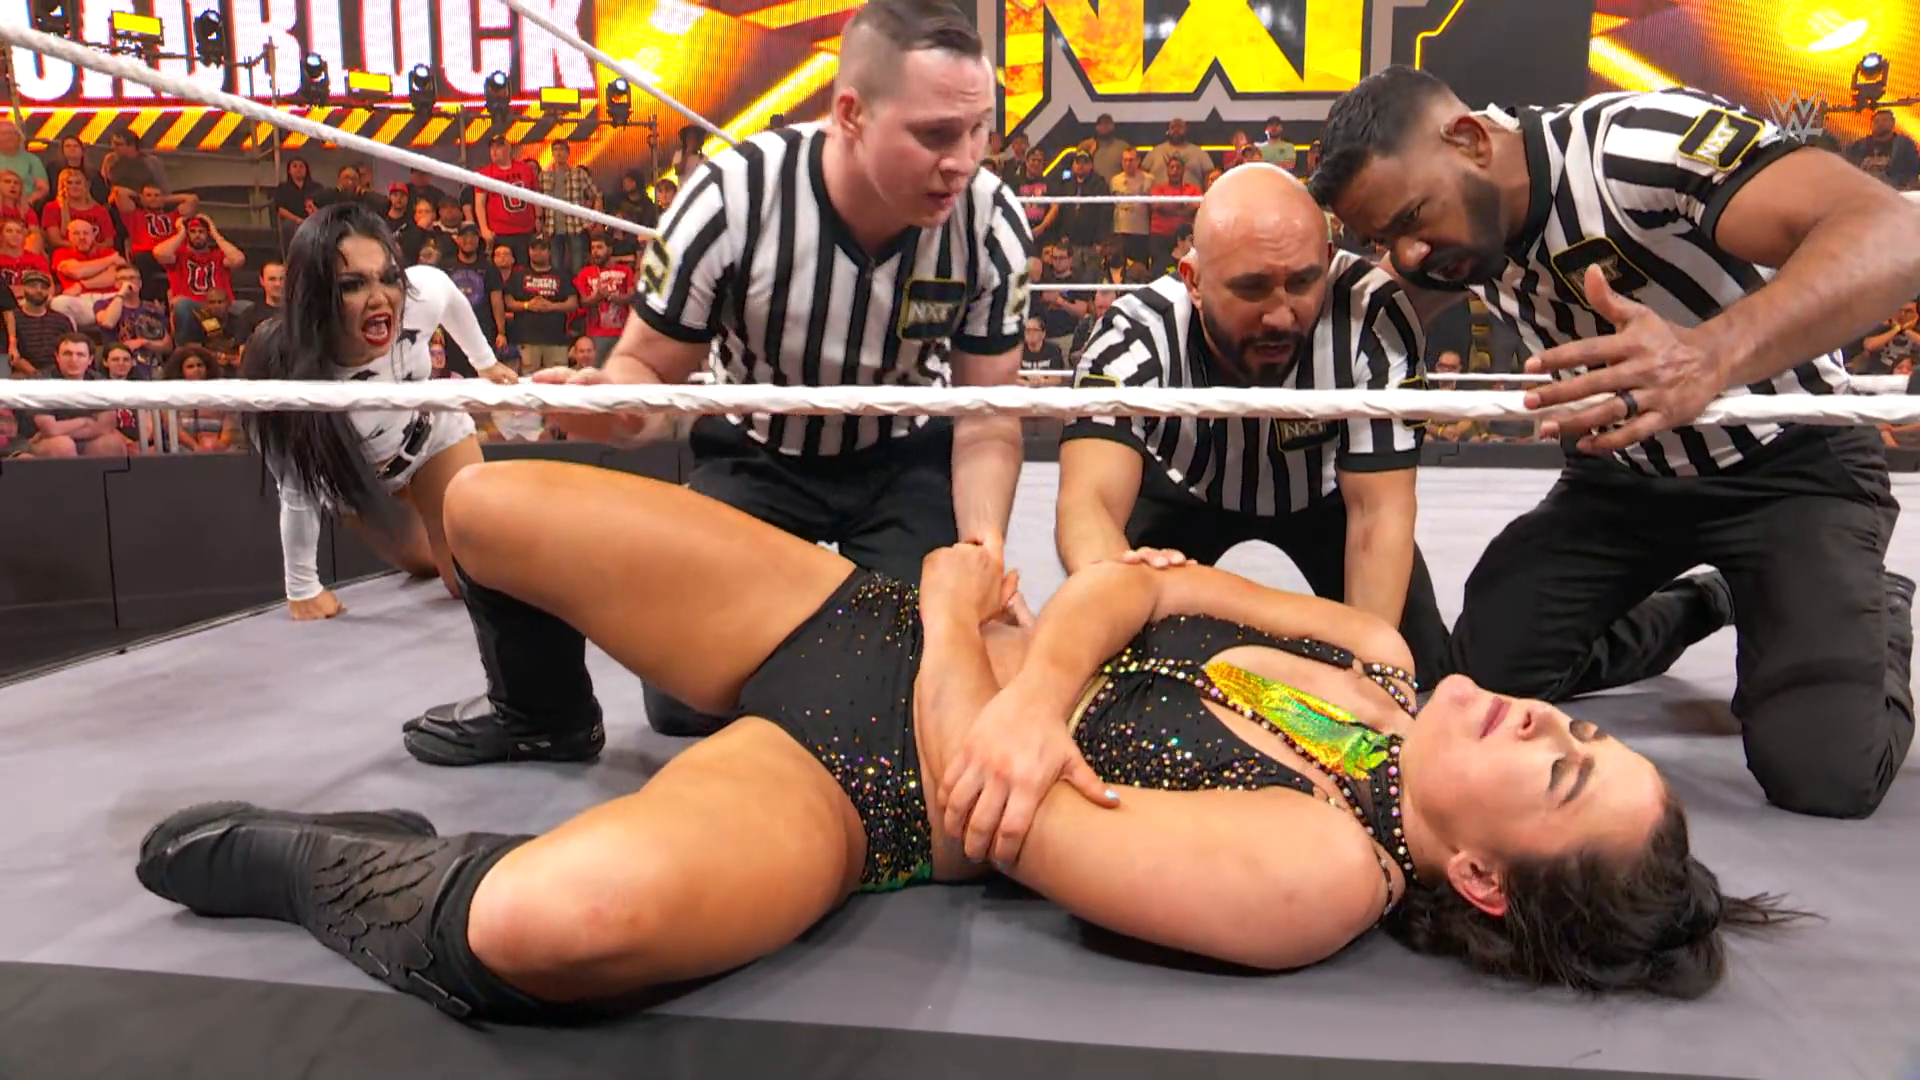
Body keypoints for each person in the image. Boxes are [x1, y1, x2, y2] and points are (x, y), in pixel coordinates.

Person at [134, 458, 1796, 1027]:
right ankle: (542, 708)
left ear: (1486, 879)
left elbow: (994, 811)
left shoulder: (1317, 871)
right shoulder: (1373, 656)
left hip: (859, 785)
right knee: (485, 505)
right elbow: (1137, 584)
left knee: (554, 923)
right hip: (844, 624)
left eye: (1562, 766)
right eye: (1584, 731)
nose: (1547, 716)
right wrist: (1036, 664)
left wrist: (953, 619)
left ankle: (349, 875)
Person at [424, 0, 1033, 754]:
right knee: (686, 702)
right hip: (758, 454)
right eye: (935, 134)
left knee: (933, 676)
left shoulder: (989, 221)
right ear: (850, 114)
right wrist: (612, 406)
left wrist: (981, 547)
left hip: (903, 459)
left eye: (978, 130)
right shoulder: (733, 196)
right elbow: (650, 370)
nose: (964, 161)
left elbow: (987, 413)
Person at [1310, 66, 1920, 818]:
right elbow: (1357, 296)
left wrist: (1711, 354)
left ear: (1469, 140)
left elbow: (1893, 230)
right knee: (1486, 671)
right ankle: (1706, 600)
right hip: (1623, 477)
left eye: (1411, 219)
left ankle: (1880, 606)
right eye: (1384, 239)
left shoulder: (1631, 149)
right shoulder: (1461, 228)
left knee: (1824, 772)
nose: (1407, 256)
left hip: (1788, 462)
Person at [1060, 164, 1449, 688]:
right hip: (1181, 488)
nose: (1281, 316)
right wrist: (1118, 591)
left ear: (1327, 260)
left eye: (1303, 281)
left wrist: (1370, 678)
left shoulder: (1370, 318)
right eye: (1252, 287)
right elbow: (1088, 504)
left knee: (1412, 668)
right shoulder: (1134, 339)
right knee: (1114, 665)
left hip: (1329, 495)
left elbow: (1381, 512)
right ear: (1194, 281)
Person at [244, 203, 517, 622]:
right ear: (314, 294)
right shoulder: (281, 368)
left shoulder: (417, 298)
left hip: (431, 439)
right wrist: (302, 587)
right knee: (426, 563)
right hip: (359, 481)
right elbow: (296, 483)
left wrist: (485, 362)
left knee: (471, 578)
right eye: (352, 284)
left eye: (389, 277)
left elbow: (446, 291)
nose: (380, 298)